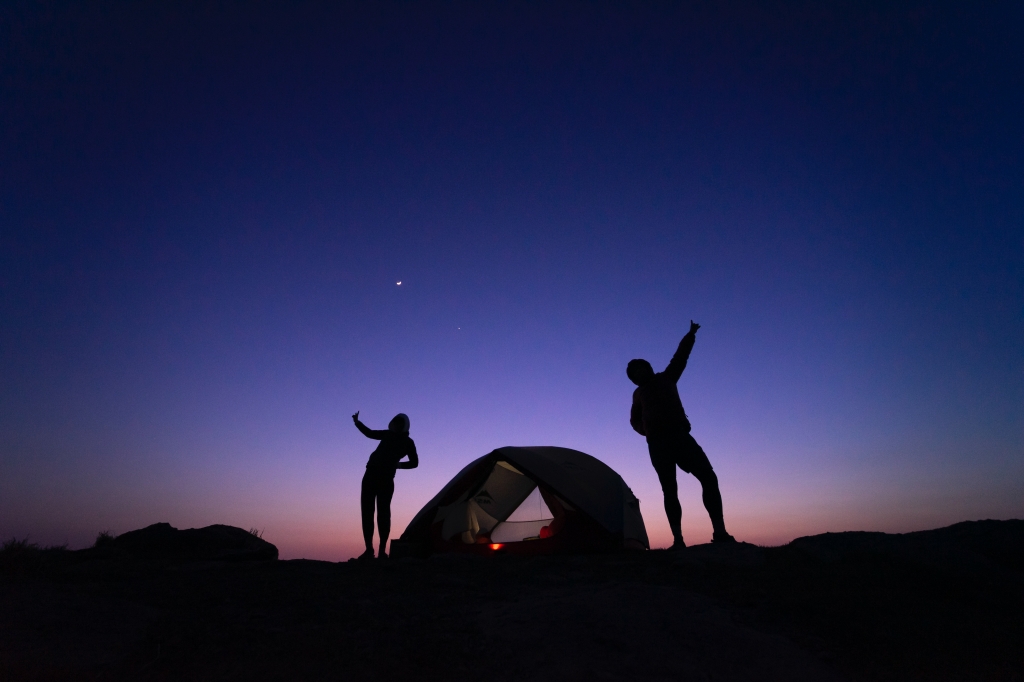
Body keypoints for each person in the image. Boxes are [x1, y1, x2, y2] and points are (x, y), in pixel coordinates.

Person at [628, 320, 735, 549]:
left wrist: (691, 335)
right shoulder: (637, 394)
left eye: (642, 367)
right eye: (635, 372)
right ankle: (678, 540)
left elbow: (680, 357)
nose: (640, 372)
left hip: (680, 437)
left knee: (708, 477)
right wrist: (645, 430)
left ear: (647, 367)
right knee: (670, 490)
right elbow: (634, 420)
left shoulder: (667, 377)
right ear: (633, 377)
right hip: (657, 444)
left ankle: (720, 531)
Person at [352, 411, 418, 559]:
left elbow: (415, 463)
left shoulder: (408, 442)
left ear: (402, 425)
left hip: (386, 479)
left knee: (383, 514)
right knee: (367, 512)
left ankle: (381, 551)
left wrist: (398, 465)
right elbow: (369, 433)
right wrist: (357, 422)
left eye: (397, 423)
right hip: (370, 475)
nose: (394, 424)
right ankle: (370, 550)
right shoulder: (388, 434)